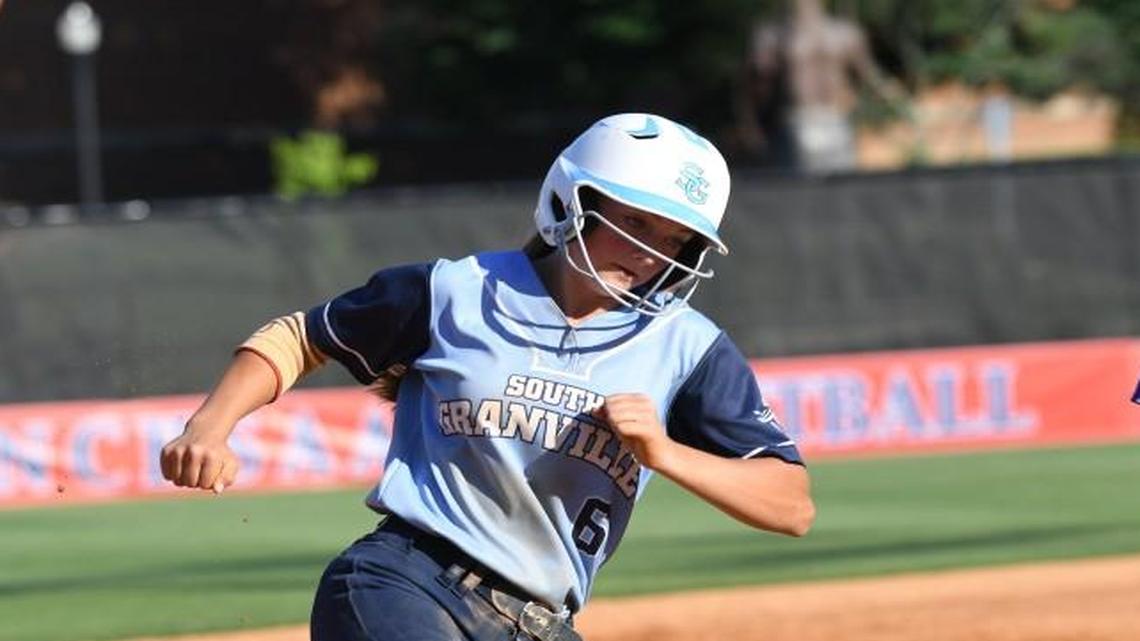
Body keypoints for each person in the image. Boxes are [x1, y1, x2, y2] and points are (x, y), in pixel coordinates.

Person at [159, 113, 815, 641]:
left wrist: (665, 452)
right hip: (406, 582)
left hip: (541, 624)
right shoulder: (455, 291)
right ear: (571, 201)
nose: (650, 253)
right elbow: (303, 336)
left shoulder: (690, 349)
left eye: (673, 241)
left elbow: (791, 504)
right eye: (635, 222)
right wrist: (210, 426)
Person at [738, 0, 904, 173]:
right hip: (796, 125)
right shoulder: (775, 35)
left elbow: (870, 76)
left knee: (841, 188)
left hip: (837, 122)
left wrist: (893, 97)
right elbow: (755, 86)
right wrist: (752, 126)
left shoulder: (845, 33)